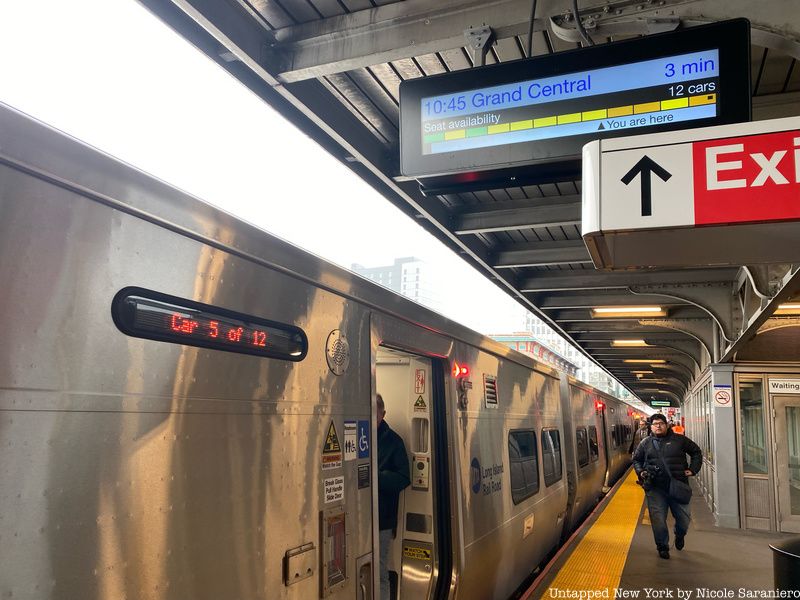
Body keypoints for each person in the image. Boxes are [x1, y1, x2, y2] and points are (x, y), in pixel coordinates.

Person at [633, 413, 702, 560]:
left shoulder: (680, 440)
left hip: (678, 486)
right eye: (655, 424)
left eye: (661, 423)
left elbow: (696, 452)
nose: (658, 426)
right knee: (658, 520)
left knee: (684, 520)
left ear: (667, 425)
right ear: (650, 427)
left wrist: (693, 469)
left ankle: (680, 534)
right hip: (655, 488)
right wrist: (641, 472)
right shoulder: (645, 443)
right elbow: (637, 460)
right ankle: (662, 547)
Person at [376, 394, 410, 600]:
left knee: (380, 572)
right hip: (356, 519)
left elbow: (404, 477)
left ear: (383, 414)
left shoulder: (393, 441)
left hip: (382, 519)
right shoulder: (352, 432)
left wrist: (374, 477)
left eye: (376, 414)